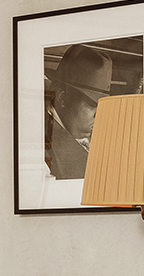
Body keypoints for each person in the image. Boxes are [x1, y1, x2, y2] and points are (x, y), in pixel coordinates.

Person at [45, 43, 114, 180]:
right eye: (93, 104)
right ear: (62, 98)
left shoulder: (91, 136)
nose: (99, 116)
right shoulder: (40, 146)